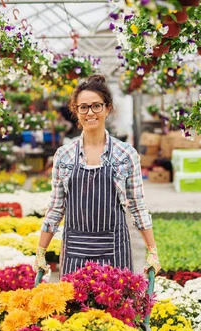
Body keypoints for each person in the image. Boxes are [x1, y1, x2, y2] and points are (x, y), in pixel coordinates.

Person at [33, 74, 161, 276]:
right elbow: (56, 208)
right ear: (76, 111)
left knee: (115, 305)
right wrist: (41, 252)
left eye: (96, 106)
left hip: (114, 250)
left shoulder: (126, 154)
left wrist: (152, 251)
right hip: (74, 250)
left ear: (108, 108)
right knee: (75, 305)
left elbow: (137, 206)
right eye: (83, 107)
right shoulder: (64, 155)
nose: (89, 112)